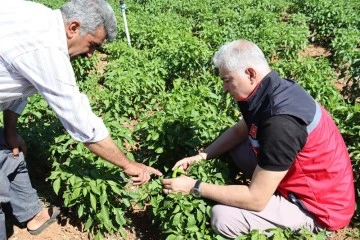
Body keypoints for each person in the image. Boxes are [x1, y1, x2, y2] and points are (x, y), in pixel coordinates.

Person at [161, 39, 355, 238]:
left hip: (319, 209)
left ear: (250, 74)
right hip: (310, 182)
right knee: (237, 149)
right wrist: (201, 157)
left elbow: (256, 199)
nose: (224, 88)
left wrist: (195, 187)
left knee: (223, 217)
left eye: (227, 80)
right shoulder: (272, 90)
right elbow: (239, 132)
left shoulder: (281, 122)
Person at [0, 0, 161, 237]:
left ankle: (32, 214)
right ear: (73, 28)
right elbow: (79, 119)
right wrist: (128, 164)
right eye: (92, 45)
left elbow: (20, 83)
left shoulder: (40, 17)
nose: (91, 55)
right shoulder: (46, 48)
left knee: (7, 150)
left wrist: (11, 132)